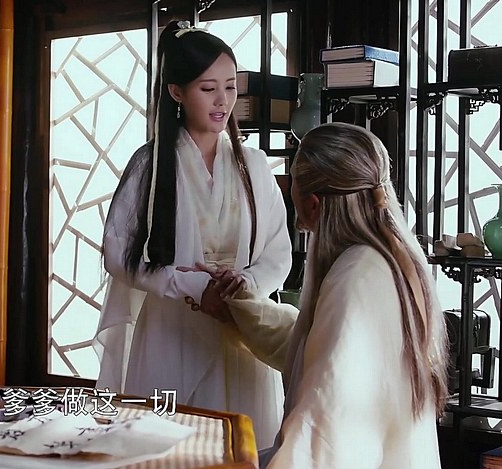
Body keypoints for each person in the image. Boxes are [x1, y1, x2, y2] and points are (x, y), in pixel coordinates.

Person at [92, 19, 292, 445]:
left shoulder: (254, 166)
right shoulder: (150, 165)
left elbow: (278, 253)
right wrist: (189, 286)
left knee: (239, 448)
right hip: (171, 331)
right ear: (176, 92)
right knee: (165, 447)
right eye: (208, 88)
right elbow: (117, 253)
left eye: (231, 87)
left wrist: (245, 284)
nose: (223, 100)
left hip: (242, 332)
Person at [210, 122, 448, 468]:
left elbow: (325, 422)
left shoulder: (357, 276)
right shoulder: (390, 258)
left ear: (313, 205)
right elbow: (315, 349)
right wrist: (239, 307)